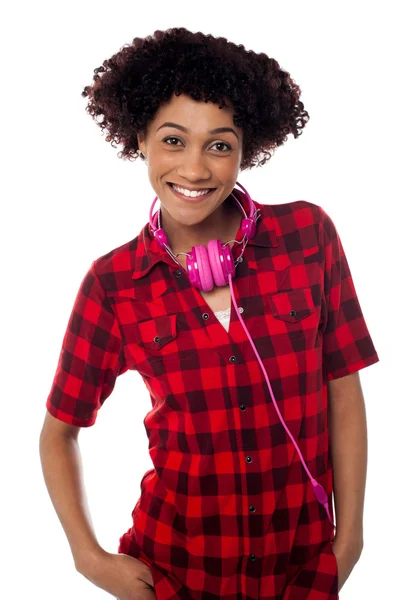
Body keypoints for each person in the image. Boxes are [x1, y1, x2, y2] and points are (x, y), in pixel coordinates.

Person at [39, 27, 379, 600]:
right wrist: (88, 558)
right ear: (140, 139)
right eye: (173, 140)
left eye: (219, 145)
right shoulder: (113, 283)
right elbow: (58, 434)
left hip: (304, 574)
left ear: (248, 149)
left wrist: (351, 542)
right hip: (175, 574)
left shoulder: (309, 236)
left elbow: (344, 389)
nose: (195, 170)